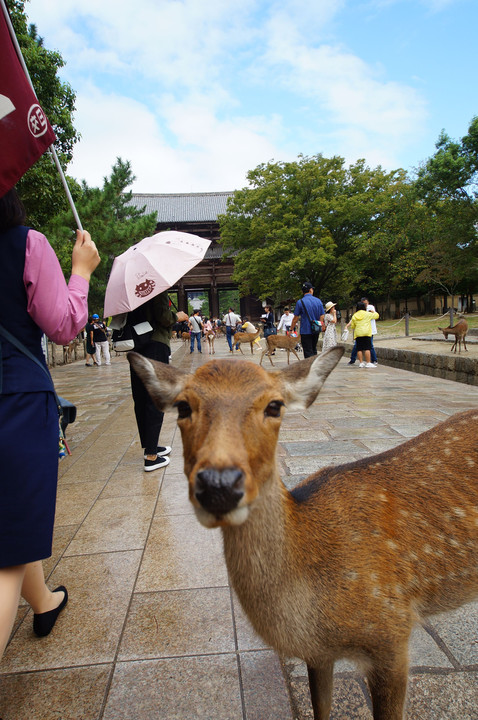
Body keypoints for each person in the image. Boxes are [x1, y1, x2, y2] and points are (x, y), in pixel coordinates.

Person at [0, 188, 100, 658]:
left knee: (13, 519)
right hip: (14, 401)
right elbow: (62, 324)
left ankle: (42, 602)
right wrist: (79, 274)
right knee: (4, 557)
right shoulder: (25, 243)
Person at [128, 292, 189, 471]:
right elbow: (163, 317)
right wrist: (177, 316)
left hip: (137, 345)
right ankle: (151, 456)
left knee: (140, 397)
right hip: (155, 344)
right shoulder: (156, 288)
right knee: (155, 398)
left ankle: (151, 446)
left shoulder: (133, 291)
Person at [290, 282, 325, 358]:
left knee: (307, 350)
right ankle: (314, 366)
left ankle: (309, 367)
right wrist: (320, 324)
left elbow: (295, 318)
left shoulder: (300, 302)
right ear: (310, 290)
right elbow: (322, 315)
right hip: (316, 329)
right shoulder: (318, 301)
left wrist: (291, 329)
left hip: (305, 330)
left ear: (302, 291)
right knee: (314, 349)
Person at [346, 300, 379, 368]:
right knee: (367, 348)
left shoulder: (355, 315)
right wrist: (373, 312)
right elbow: (376, 316)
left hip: (358, 333)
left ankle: (361, 362)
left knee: (359, 349)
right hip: (366, 332)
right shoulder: (367, 314)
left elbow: (353, 326)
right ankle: (368, 362)